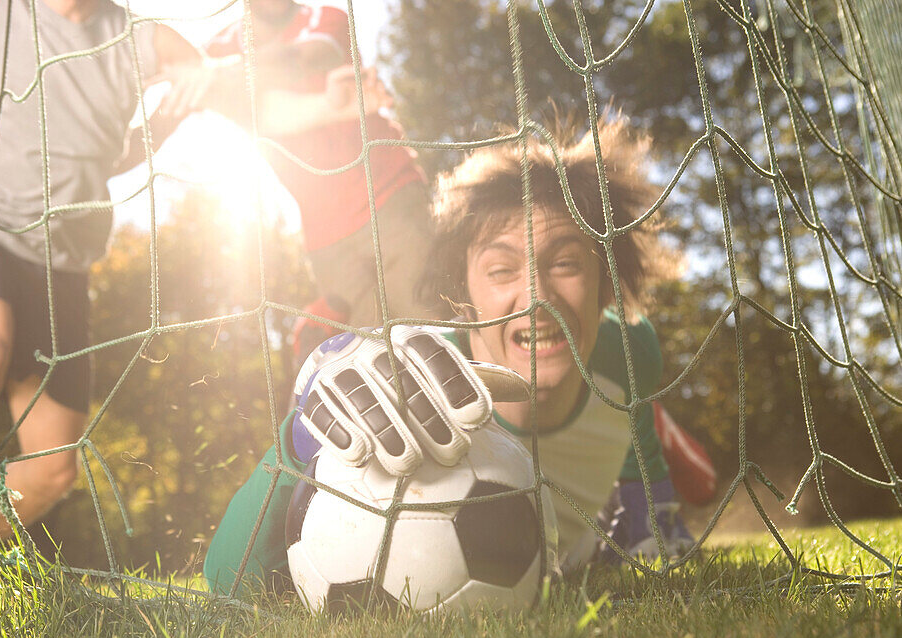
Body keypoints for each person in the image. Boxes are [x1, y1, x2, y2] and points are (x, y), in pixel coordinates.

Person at [203, 115, 696, 594]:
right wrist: (298, 440)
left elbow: (637, 439)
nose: (536, 297)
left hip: (587, 546)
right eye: (501, 270)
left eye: (565, 263)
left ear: (606, 285)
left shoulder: (630, 349)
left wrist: (652, 517)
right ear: (465, 293)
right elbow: (227, 578)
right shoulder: (405, 380)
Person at [0, 0, 205, 534]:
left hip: (62, 268)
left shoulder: (136, 39)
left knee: (52, 470)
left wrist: (170, 113)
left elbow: (194, 67)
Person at [195, 0, 449, 331]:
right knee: (366, 363)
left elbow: (311, 56)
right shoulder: (218, 47)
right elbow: (202, 93)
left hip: (389, 197)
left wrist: (216, 74)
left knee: (432, 333)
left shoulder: (327, 18)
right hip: (325, 236)